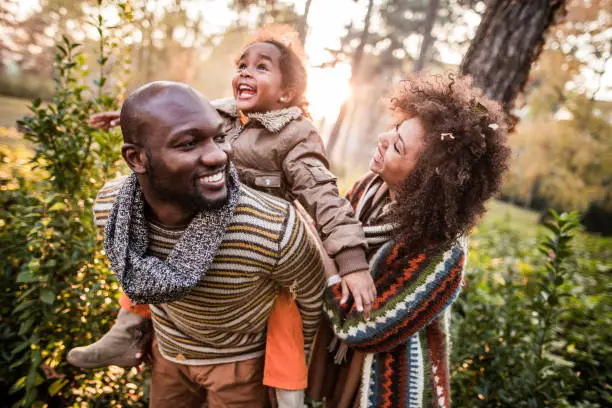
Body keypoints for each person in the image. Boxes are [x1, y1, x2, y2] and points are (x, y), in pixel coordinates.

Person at [69, 26, 373, 407]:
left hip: (258, 238)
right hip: (202, 216)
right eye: (242, 64)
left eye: (262, 67)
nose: (245, 72)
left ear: (286, 94)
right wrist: (128, 118)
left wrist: (351, 260)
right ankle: (125, 330)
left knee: (284, 319)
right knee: (142, 242)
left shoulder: (295, 135)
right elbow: (168, 122)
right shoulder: (224, 113)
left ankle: (289, 391)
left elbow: (323, 196)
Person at [88, 81, 327, 407]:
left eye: (218, 137)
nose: (219, 155)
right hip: (169, 355)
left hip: (241, 367)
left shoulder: (272, 227)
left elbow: (310, 302)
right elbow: (137, 273)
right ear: (137, 158)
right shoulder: (110, 209)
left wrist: (286, 372)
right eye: (188, 144)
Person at [305, 73, 511, 408]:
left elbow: (366, 329)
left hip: (383, 375)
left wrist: (331, 265)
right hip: (335, 364)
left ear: (424, 183)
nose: (383, 138)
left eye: (397, 146)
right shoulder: (369, 189)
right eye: (395, 128)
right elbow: (324, 226)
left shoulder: (442, 254)